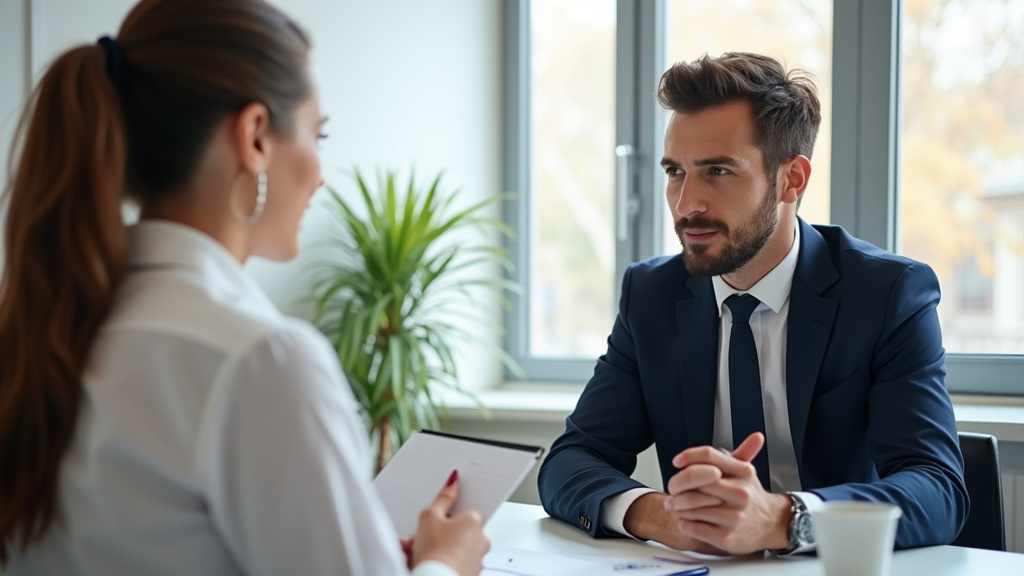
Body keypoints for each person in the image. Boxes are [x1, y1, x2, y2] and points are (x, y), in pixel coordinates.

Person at [0, 0, 489, 574]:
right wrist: (446, 562)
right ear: (255, 135)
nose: (321, 175)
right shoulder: (261, 360)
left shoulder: (39, 333)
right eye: (319, 135)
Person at [538, 52, 968, 556]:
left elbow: (937, 488)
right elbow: (570, 461)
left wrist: (783, 520)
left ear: (792, 179)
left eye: (718, 171)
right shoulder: (651, 294)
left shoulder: (887, 294)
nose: (686, 204)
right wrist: (664, 517)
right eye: (675, 171)